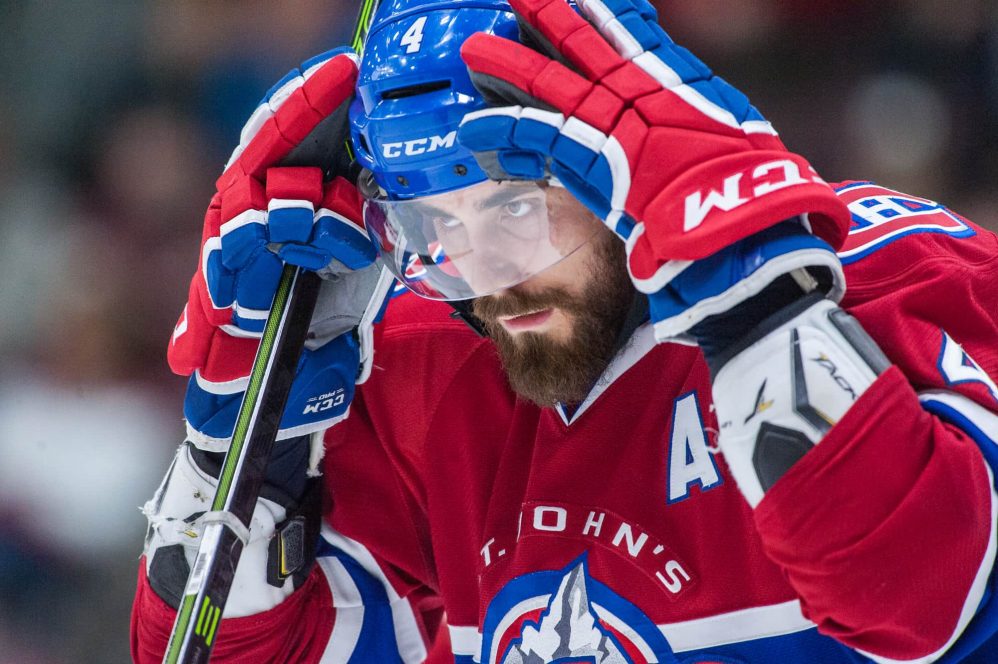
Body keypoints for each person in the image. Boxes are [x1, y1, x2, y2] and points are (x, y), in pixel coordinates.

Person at [131, 0, 998, 661]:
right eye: (434, 226)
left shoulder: (890, 272)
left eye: (516, 203)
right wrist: (238, 461)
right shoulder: (426, 363)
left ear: (613, 144)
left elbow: (931, 600)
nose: (487, 274)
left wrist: (756, 300)